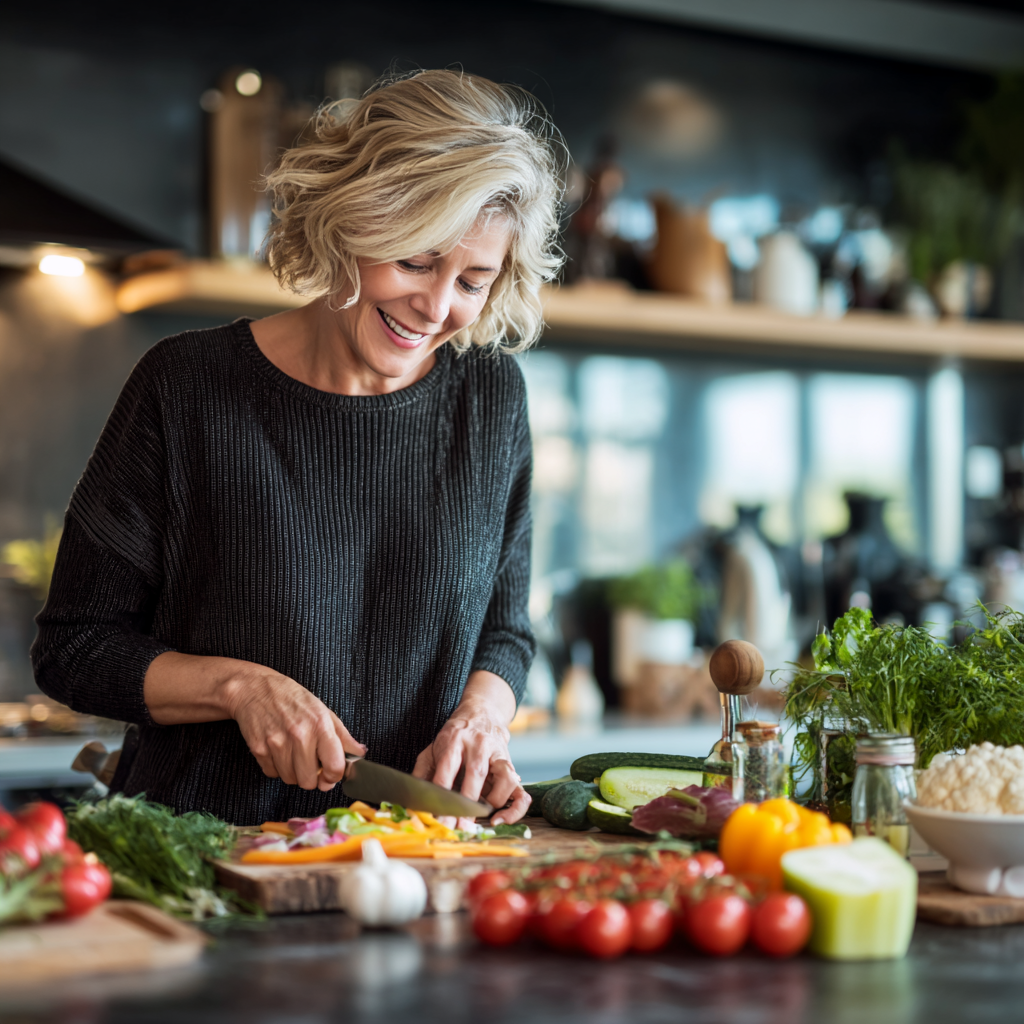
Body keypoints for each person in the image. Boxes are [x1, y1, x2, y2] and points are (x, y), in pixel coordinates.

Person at [31, 69, 564, 826]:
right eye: (414, 261)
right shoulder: (187, 387)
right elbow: (74, 649)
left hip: (418, 858)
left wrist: (483, 717)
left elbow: (505, 633)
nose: (439, 307)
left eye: (473, 280)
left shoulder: (490, 397)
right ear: (350, 223)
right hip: (203, 863)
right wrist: (238, 689)